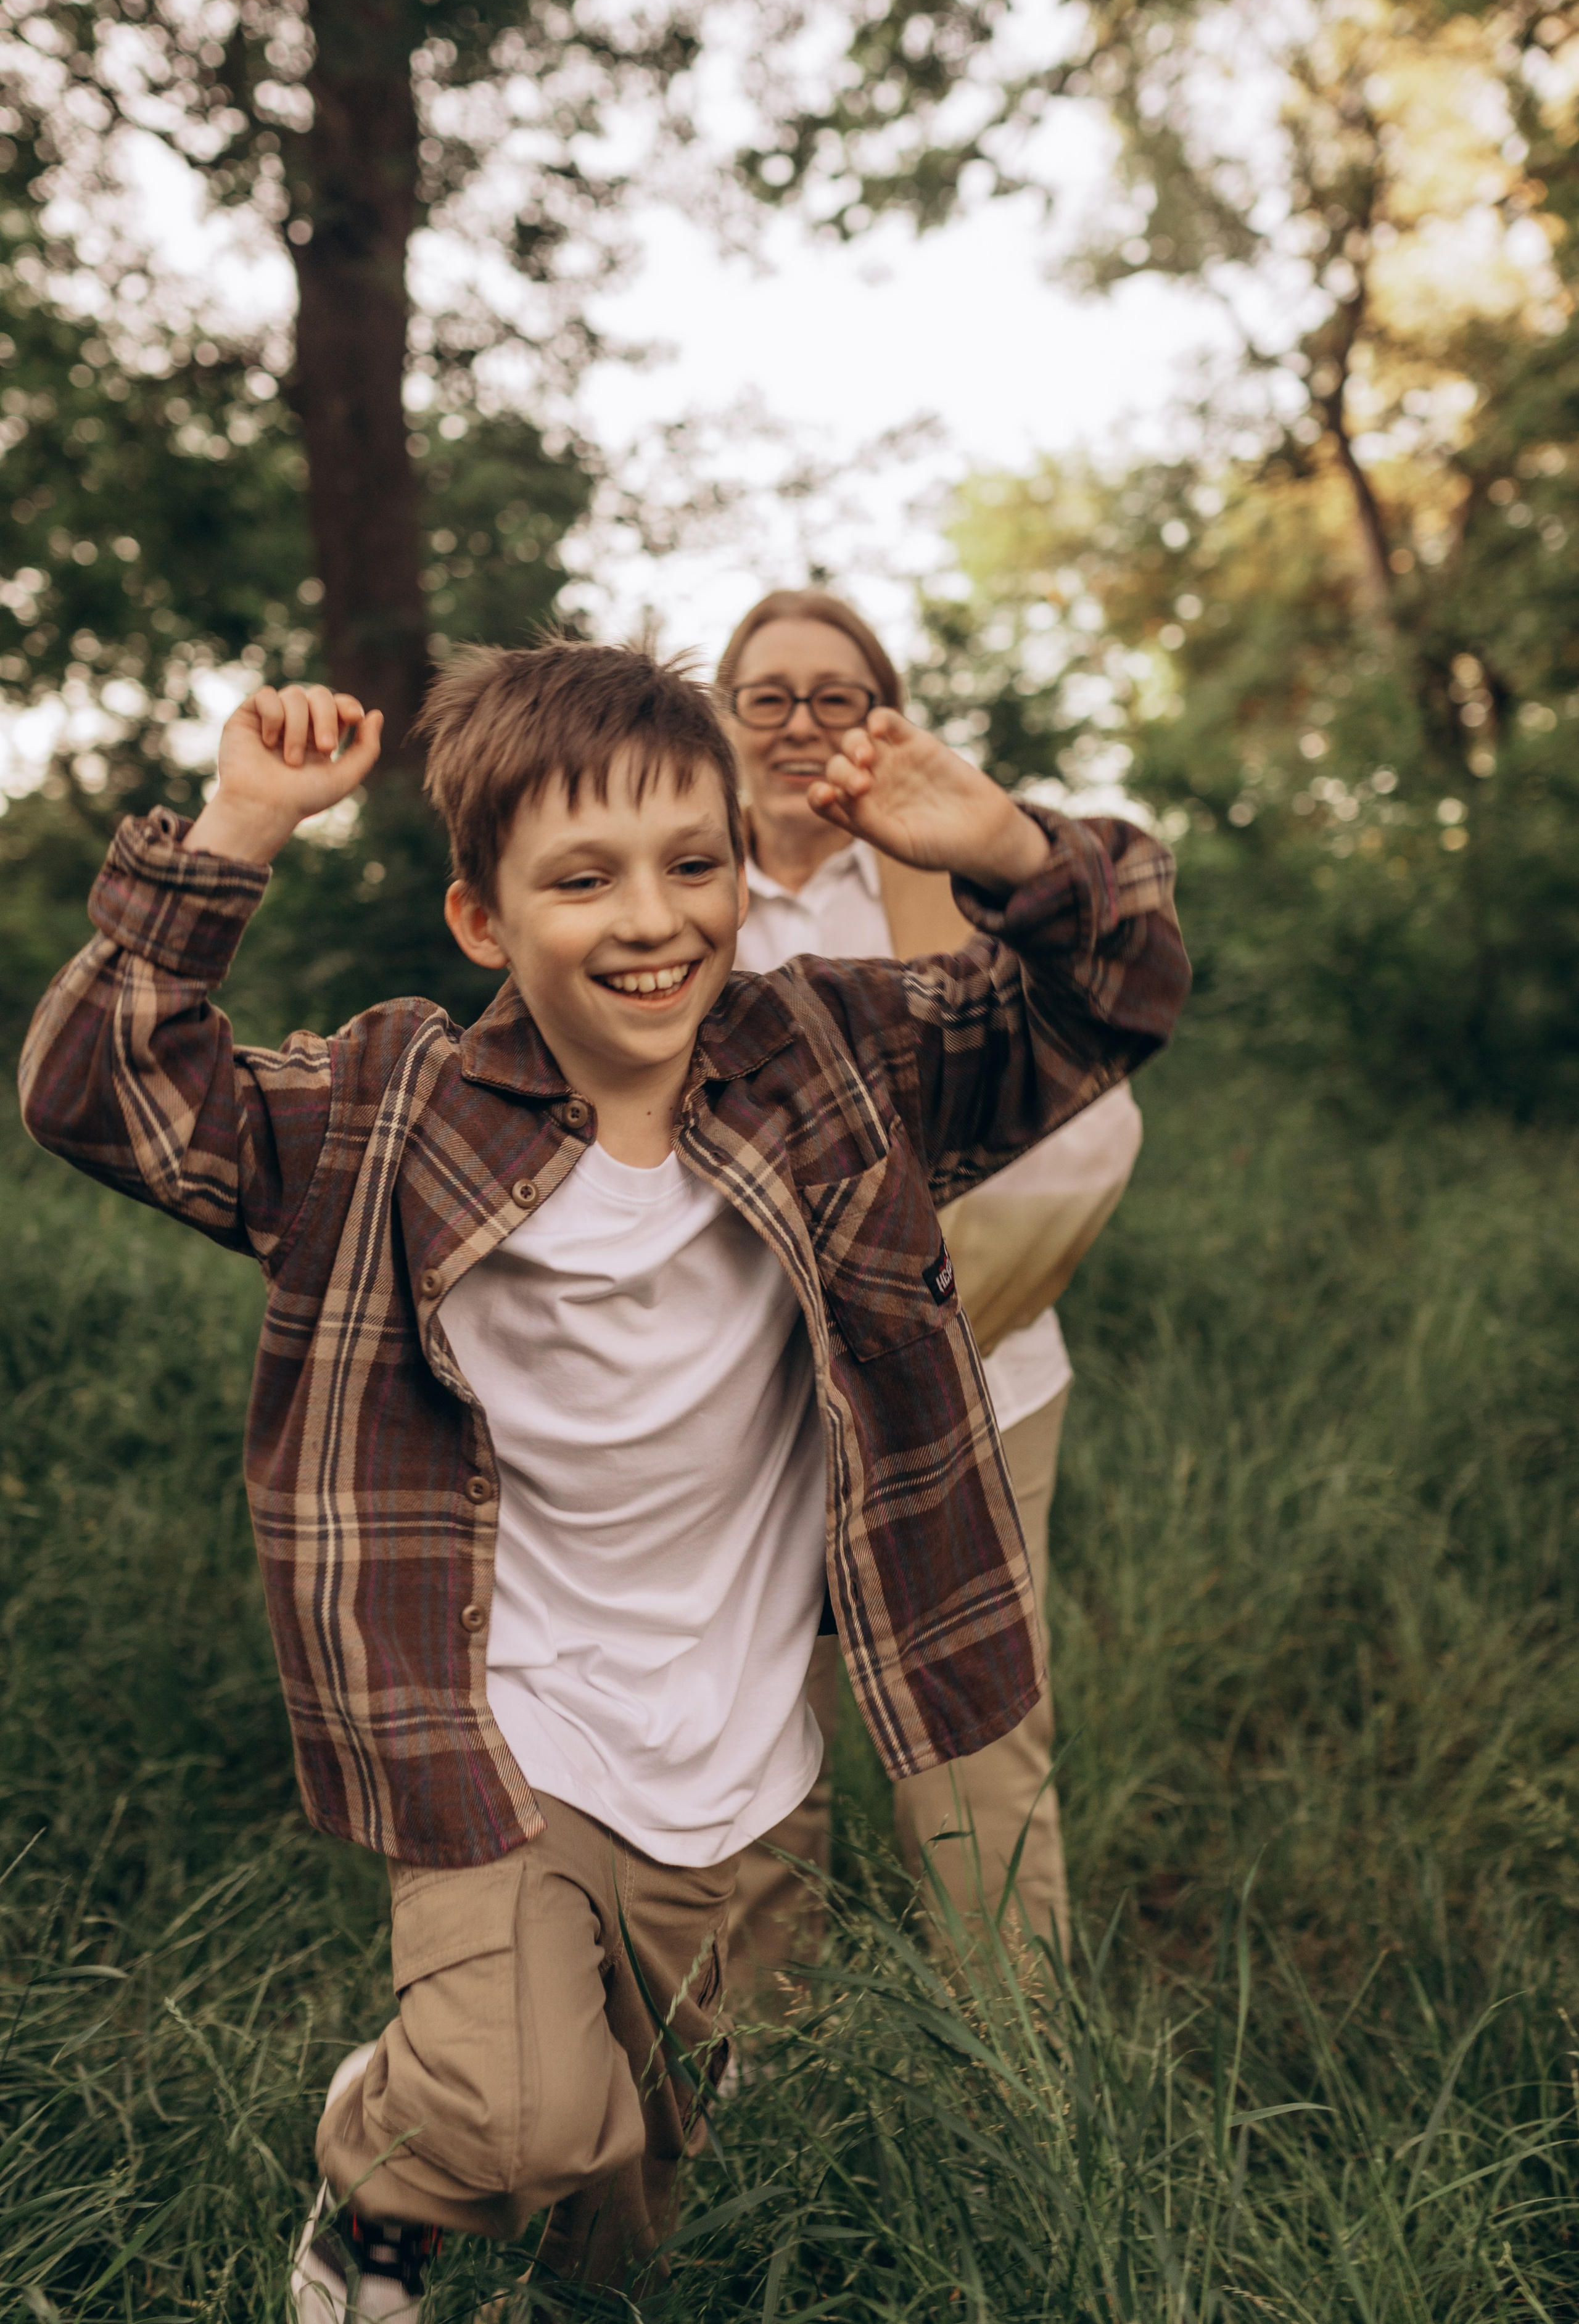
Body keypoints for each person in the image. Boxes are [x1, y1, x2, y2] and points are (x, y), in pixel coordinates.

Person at [19, 640, 1187, 2320]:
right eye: (583, 880)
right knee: (522, 2118)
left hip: (738, 1752)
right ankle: (381, 2165)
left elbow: (1117, 996)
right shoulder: (395, 1112)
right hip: (502, 1726)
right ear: (483, 919)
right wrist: (242, 824)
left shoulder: (834, 1061)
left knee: (637, 2209)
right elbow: (98, 1089)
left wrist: (1003, 848)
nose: (653, 920)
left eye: (692, 865)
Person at [720, 588, 1145, 2000]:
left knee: (975, 1735)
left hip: (974, 1374)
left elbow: (1076, 1066)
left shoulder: (951, 870)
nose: (799, 722)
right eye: (767, 694)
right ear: (721, 718)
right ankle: (748, 2052)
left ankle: (1011, 2064)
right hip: (739, 1388)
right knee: (737, 1722)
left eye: (835, 696)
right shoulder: (672, 881)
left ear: (882, 717)